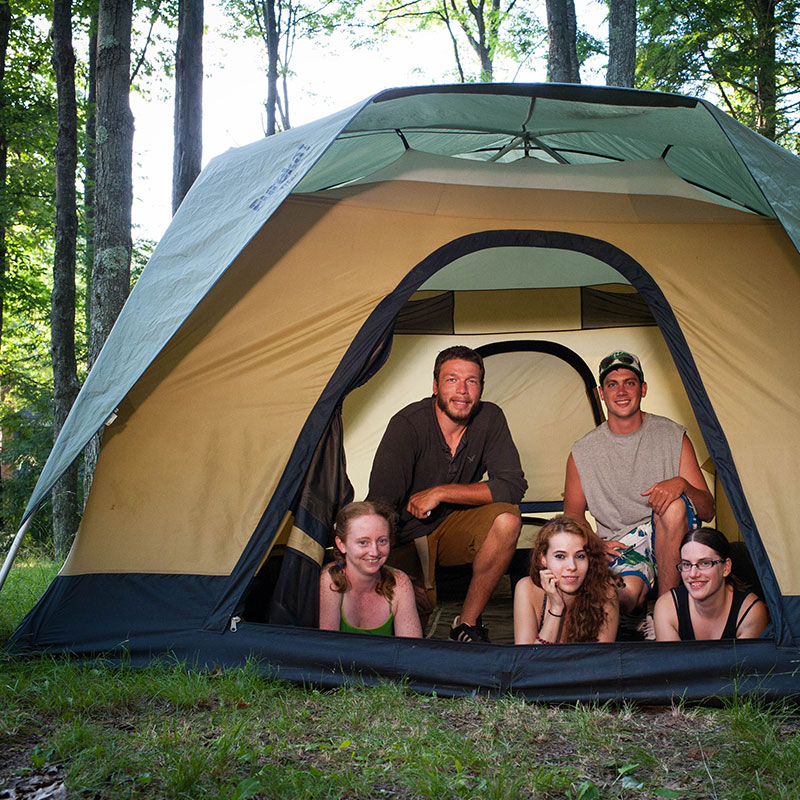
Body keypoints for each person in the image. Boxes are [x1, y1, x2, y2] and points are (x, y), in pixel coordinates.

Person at [368, 345, 527, 643]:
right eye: (452, 380)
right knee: (411, 631)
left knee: (508, 519)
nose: (463, 391)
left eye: (472, 381)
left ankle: (465, 624)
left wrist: (441, 492)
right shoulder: (407, 425)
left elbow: (513, 486)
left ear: (481, 387)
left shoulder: (490, 418)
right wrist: (388, 572)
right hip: (405, 536)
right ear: (435, 386)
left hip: (455, 527)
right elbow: (379, 506)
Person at [564, 351, 715, 614]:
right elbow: (572, 517)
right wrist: (594, 544)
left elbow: (708, 511)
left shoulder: (672, 435)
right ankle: (626, 606)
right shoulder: (582, 452)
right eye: (612, 384)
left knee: (674, 506)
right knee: (626, 595)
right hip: (623, 545)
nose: (621, 391)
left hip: (676, 541)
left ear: (643, 389)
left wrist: (683, 484)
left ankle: (666, 615)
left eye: (630, 383)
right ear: (601, 393)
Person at [319, 501, 422, 637]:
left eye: (382, 541)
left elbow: (411, 650)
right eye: (363, 542)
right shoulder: (331, 578)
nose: (374, 552)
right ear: (341, 544)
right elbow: (327, 648)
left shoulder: (399, 582)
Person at [513, 515, 620, 644]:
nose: (572, 566)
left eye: (580, 556)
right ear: (543, 559)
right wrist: (556, 609)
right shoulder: (528, 589)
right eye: (560, 556)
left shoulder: (605, 591)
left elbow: (602, 659)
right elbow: (527, 660)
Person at [654, 527, 768, 640]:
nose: (693, 574)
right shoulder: (667, 608)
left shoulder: (750, 613)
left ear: (726, 567)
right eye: (687, 564)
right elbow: (673, 658)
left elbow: (746, 658)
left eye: (705, 563)